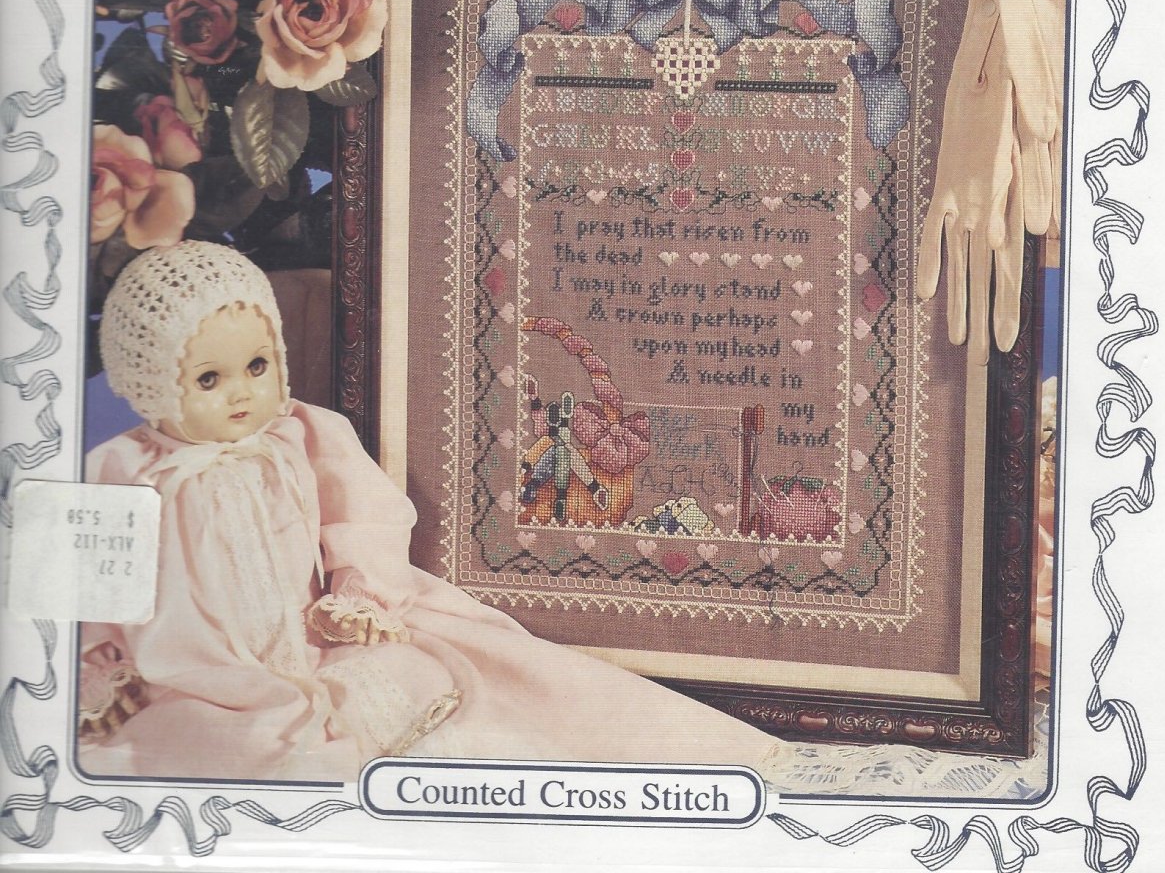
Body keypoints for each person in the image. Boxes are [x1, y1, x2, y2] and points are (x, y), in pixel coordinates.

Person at [79, 241, 791, 783]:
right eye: (209, 379)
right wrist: (103, 669)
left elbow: (361, 518)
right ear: (151, 382)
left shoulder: (299, 435)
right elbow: (97, 584)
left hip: (314, 639)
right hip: (202, 677)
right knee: (234, 743)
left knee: (417, 674)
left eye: (257, 367)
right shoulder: (124, 473)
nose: (242, 393)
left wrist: (357, 595)